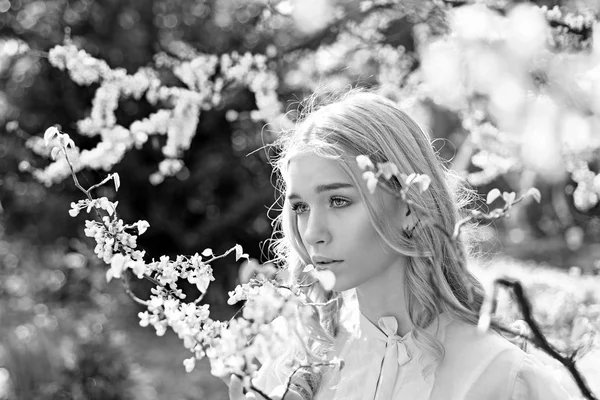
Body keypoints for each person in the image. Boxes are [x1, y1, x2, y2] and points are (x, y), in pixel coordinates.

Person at [228, 89, 572, 400]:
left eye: (338, 201)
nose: (313, 232)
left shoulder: (501, 377)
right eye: (300, 207)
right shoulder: (290, 364)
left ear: (409, 205)